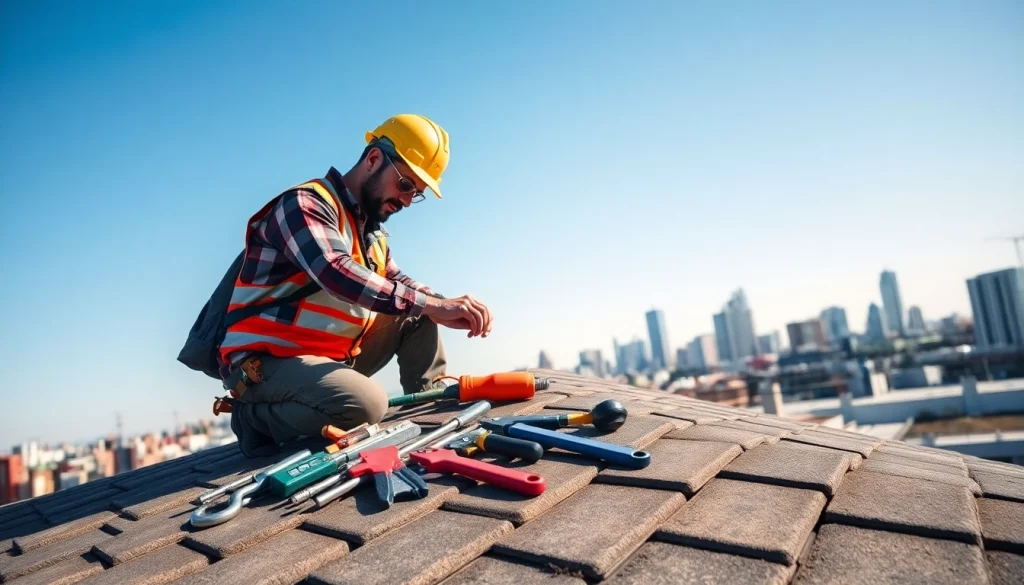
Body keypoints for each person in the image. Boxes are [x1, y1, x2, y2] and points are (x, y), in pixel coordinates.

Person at [216, 114, 492, 456]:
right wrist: (431, 304)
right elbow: (335, 271)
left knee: (419, 313)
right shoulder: (305, 204)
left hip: (326, 359)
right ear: (373, 159)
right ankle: (252, 419)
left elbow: (397, 281)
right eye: (405, 185)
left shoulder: (370, 233)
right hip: (265, 366)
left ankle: (428, 404)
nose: (407, 201)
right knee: (367, 405)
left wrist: (443, 304)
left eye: (416, 194)